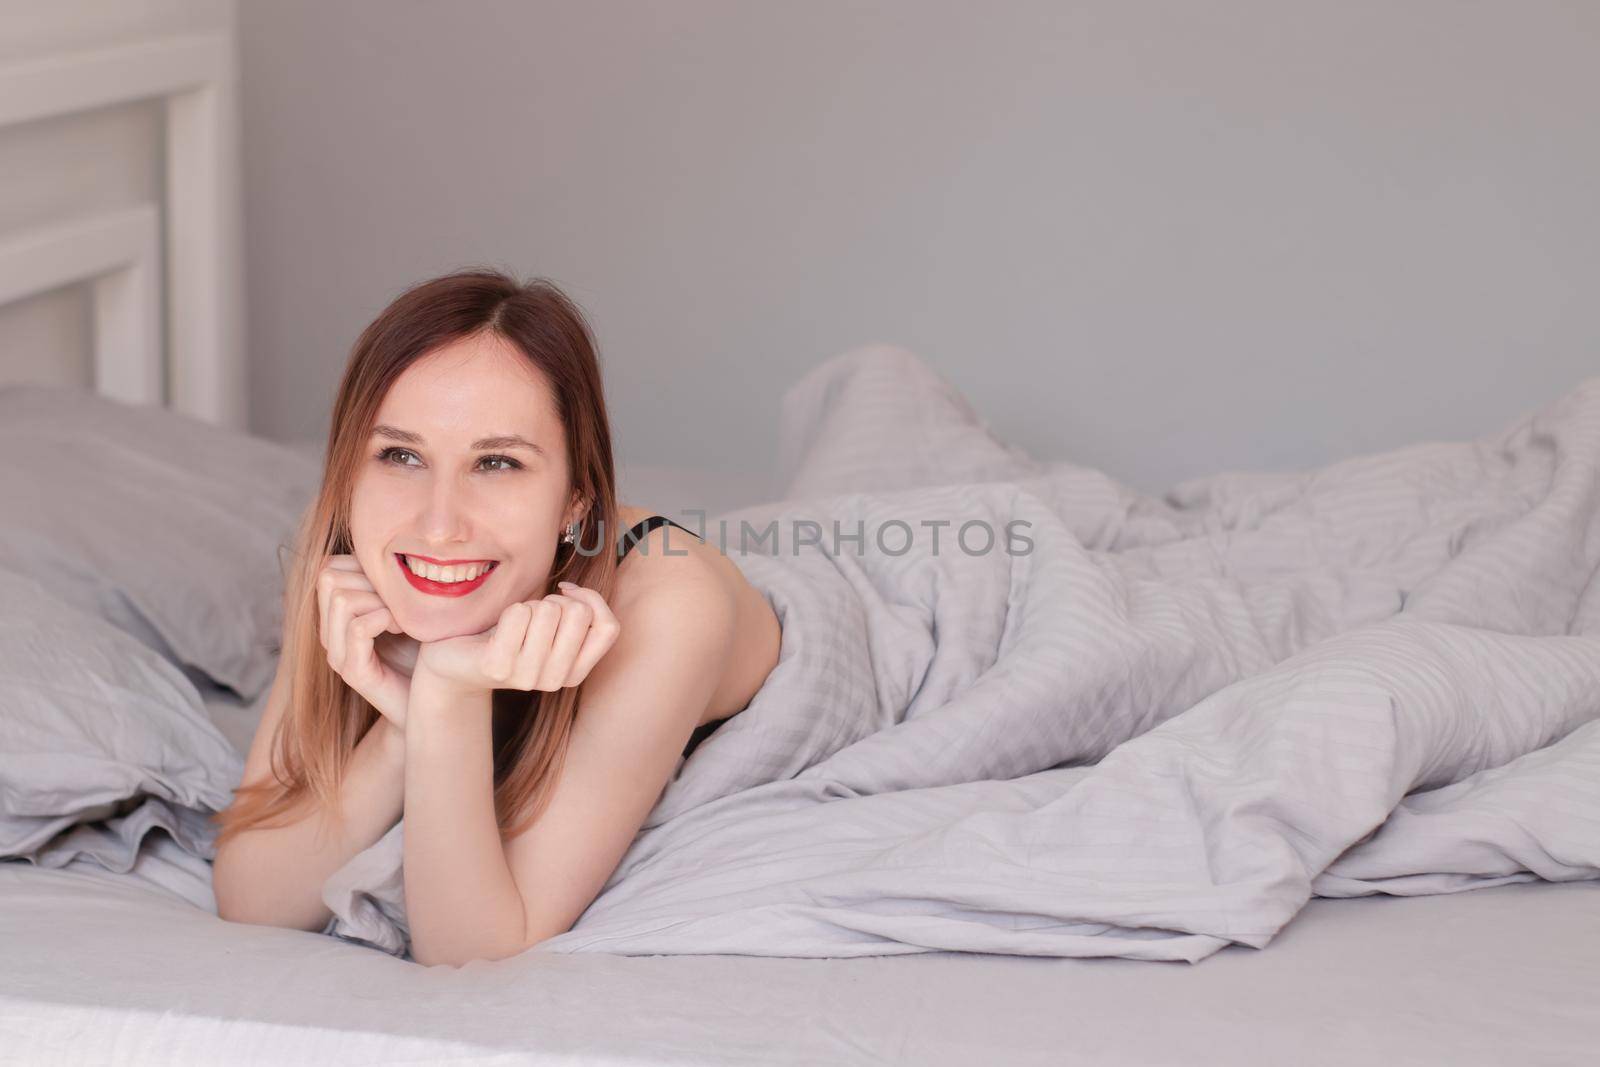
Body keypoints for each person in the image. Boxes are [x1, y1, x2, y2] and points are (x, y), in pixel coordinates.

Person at [211, 269, 781, 966]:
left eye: (498, 463)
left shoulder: (669, 611)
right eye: (401, 454)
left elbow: (472, 950)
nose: (440, 523)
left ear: (576, 500)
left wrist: (446, 690)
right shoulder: (344, 554)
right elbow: (250, 897)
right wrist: (400, 731)